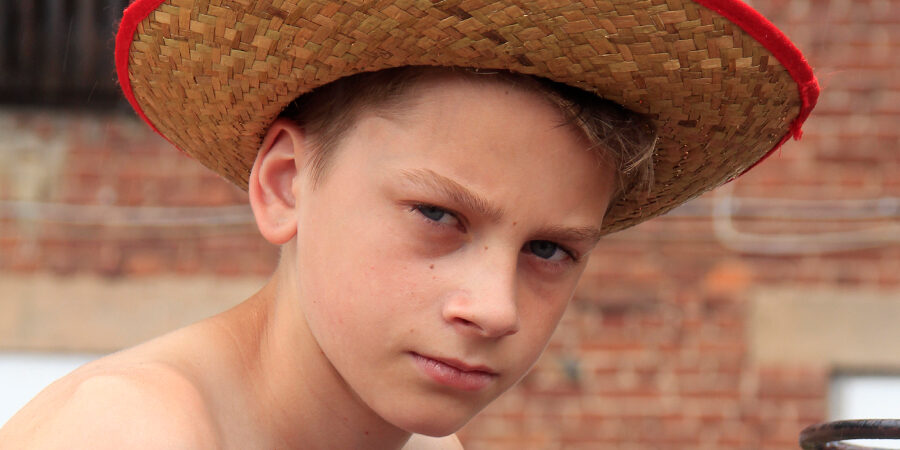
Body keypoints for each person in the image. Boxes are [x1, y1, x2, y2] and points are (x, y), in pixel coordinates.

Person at [0, 0, 818, 448]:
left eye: (548, 249)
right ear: (284, 185)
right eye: (438, 215)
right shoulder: (132, 432)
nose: (494, 307)